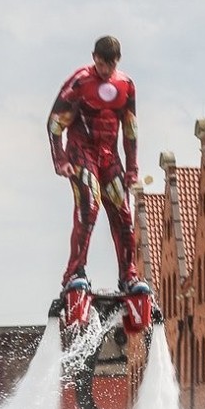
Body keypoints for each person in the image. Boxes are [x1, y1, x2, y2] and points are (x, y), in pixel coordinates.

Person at [48, 35, 152, 332]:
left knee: (123, 212)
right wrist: (60, 159)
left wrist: (132, 167)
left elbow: (130, 128)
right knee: (89, 207)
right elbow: (55, 122)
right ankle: (74, 271)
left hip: (109, 155)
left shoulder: (125, 86)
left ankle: (129, 274)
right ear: (95, 58)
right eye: (103, 63)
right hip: (82, 151)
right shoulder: (80, 82)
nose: (107, 70)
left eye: (112, 64)